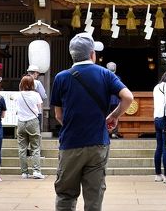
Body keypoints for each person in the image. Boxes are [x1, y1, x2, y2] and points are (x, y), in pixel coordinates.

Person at [51, 32, 133, 211]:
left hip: (71, 143)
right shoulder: (105, 74)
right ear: (92, 54)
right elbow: (128, 97)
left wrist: (74, 125)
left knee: (65, 194)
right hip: (98, 142)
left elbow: (58, 114)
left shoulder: (61, 77)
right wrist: (114, 115)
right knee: (94, 196)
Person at [16, 75, 44, 179]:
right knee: (35, 147)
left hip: (21, 122)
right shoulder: (36, 95)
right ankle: (36, 171)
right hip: (32, 121)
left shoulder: (18, 95)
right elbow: (39, 110)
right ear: (32, 84)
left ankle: (24, 172)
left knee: (22, 148)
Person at [26, 64, 47, 129]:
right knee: (35, 132)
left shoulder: (22, 82)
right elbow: (43, 96)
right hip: (36, 110)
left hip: (24, 110)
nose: (37, 74)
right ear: (34, 73)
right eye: (37, 73)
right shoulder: (37, 83)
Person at [106, 62, 122, 138]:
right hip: (115, 100)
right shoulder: (118, 78)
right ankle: (114, 133)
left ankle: (106, 132)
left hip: (106, 100)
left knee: (105, 116)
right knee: (115, 116)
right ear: (115, 69)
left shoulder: (104, 77)